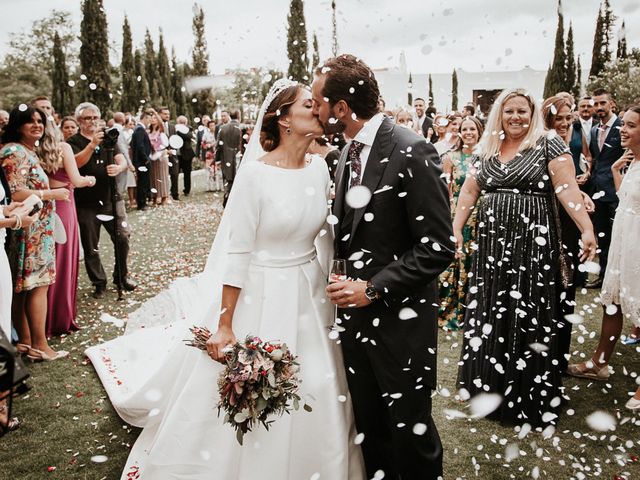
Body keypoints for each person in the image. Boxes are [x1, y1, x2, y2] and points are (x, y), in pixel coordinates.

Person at [85, 79, 365, 479]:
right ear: (284, 119)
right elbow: (237, 252)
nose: (319, 109)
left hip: (311, 294)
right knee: (254, 392)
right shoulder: (254, 176)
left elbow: (324, 237)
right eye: (309, 104)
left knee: (318, 384)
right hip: (263, 294)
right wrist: (225, 323)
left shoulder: (321, 168)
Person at [313, 54, 454, 480]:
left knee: (410, 439)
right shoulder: (342, 157)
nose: (315, 110)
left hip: (400, 328)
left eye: (319, 101)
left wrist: (372, 289)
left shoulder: (411, 150)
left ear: (341, 109)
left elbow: (438, 247)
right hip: (354, 328)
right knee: (371, 434)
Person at [453, 88, 597, 427]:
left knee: (528, 309)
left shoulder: (549, 143)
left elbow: (566, 189)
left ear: (532, 114)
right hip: (491, 248)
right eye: (509, 112)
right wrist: (456, 227)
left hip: (532, 248)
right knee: (491, 305)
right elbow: (470, 190)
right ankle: (487, 386)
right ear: (499, 115)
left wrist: (587, 228)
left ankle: (526, 392)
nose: (515, 117)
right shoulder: (488, 146)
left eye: (522, 111)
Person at [567, 105, 640, 411]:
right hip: (624, 239)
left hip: (638, 244)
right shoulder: (632, 162)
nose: (624, 129)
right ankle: (599, 363)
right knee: (612, 302)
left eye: (632, 126)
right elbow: (628, 199)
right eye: (624, 124)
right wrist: (613, 172)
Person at [1, 106, 70, 361]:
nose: (37, 125)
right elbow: (16, 193)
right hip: (29, 230)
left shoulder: (28, 151)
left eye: (40, 121)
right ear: (18, 125)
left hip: (38, 227)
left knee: (29, 288)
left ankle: (28, 343)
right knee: (36, 286)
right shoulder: (14, 151)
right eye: (30, 121)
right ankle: (40, 345)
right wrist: (52, 194)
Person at [541, 93, 597, 371]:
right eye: (557, 118)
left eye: (567, 118)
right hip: (549, 214)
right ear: (547, 118)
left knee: (567, 282)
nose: (563, 123)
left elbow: (576, 168)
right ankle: (543, 353)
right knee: (548, 284)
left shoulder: (575, 133)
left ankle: (560, 356)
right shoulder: (541, 141)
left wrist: (580, 193)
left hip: (570, 214)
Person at [67, 102, 135, 299]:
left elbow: (121, 158)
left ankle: (121, 276)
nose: (92, 122)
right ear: (79, 121)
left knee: (122, 237)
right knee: (91, 245)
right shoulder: (73, 142)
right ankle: (99, 282)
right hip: (86, 203)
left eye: (95, 118)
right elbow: (76, 163)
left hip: (112, 199)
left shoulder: (109, 137)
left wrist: (119, 168)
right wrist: (92, 144)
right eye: (88, 118)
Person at [39, 118, 95, 337]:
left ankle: (44, 318)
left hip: (44, 205)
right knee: (63, 260)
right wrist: (89, 180)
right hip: (63, 203)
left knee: (49, 258)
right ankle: (60, 318)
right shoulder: (63, 148)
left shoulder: (33, 151)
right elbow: (77, 180)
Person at [438, 116, 483, 331]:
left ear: (479, 131)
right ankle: (451, 312)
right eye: (464, 129)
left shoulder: (487, 157)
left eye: (472, 129)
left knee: (477, 263)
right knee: (454, 264)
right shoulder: (450, 158)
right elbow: (444, 193)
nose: (468, 132)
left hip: (482, 217)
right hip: (457, 215)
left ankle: (475, 312)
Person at [586, 88, 624, 288]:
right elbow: (595, 160)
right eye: (596, 104)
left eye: (603, 103)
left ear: (612, 104)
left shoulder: (623, 127)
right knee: (602, 237)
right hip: (598, 192)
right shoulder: (593, 130)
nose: (599, 107)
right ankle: (604, 277)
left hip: (618, 191)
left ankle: (620, 277)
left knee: (620, 236)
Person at [216, 110, 242, 207]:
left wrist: (217, 159)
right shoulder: (241, 128)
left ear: (230, 116)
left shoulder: (223, 128)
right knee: (240, 180)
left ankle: (227, 198)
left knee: (227, 179)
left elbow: (218, 145)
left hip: (226, 158)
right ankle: (237, 201)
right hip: (240, 158)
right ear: (239, 116)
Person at [130, 110, 153, 211]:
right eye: (149, 118)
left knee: (143, 182)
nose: (150, 121)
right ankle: (142, 203)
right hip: (141, 161)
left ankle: (143, 202)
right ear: (145, 118)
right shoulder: (139, 130)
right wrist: (145, 158)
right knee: (142, 182)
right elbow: (140, 146)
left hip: (140, 161)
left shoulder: (139, 129)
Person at [148, 110, 171, 205]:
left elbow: (161, 122)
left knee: (162, 175)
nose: (153, 119)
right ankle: (154, 197)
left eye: (155, 118)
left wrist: (154, 112)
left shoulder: (160, 129)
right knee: (153, 176)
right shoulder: (148, 131)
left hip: (161, 155)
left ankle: (164, 197)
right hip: (152, 156)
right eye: (151, 118)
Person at [159, 107, 180, 201]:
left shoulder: (172, 126)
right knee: (162, 175)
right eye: (165, 114)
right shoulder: (157, 126)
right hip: (162, 154)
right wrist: (165, 151)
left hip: (173, 154)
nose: (167, 115)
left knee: (175, 174)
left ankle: (175, 194)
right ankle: (163, 194)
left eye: (168, 114)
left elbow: (175, 140)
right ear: (160, 114)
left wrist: (173, 150)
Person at [175, 115, 195, 196]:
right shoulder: (174, 128)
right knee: (175, 173)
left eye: (183, 122)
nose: (182, 123)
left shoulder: (188, 128)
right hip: (177, 154)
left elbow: (188, 135)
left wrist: (178, 131)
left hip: (186, 154)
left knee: (187, 173)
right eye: (181, 122)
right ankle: (174, 190)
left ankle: (187, 190)